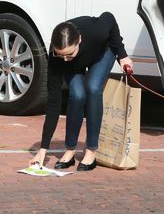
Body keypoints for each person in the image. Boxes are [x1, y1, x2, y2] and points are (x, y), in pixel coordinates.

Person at [29, 12, 133, 171]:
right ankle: (70, 150)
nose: (64, 59)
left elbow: (109, 18)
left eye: (69, 54)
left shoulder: (95, 30)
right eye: (60, 54)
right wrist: (43, 149)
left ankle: (91, 151)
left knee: (92, 88)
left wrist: (123, 54)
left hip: (102, 53)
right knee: (77, 95)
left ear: (79, 41)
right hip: (76, 66)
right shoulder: (57, 58)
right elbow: (53, 103)